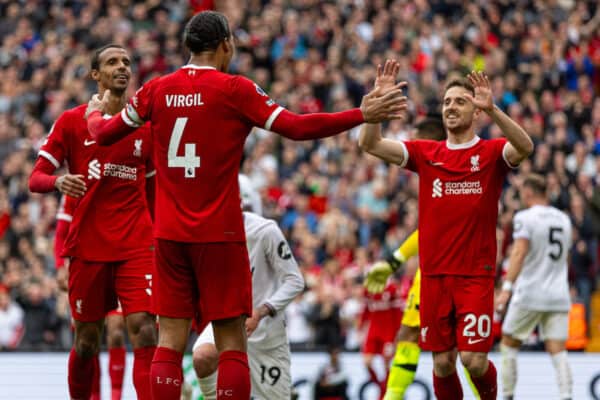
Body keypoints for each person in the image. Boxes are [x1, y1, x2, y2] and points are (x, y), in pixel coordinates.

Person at [84, 11, 406, 400]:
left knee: (168, 342)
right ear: (225, 45)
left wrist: (93, 114)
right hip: (220, 233)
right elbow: (297, 127)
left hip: (169, 235)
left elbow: (102, 134)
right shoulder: (235, 88)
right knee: (231, 342)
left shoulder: (155, 90)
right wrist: (361, 114)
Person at [358, 60, 533, 399]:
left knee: (474, 361)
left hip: (474, 275)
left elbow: (525, 147)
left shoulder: (490, 153)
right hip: (434, 276)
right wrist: (376, 108)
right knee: (442, 364)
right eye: (447, 102)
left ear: (476, 111)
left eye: (460, 101)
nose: (451, 107)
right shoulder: (427, 153)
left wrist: (494, 110)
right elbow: (371, 145)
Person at [28, 44, 157, 400]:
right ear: (94, 75)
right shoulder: (71, 121)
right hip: (88, 248)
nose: (122, 67)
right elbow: (35, 178)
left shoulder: (146, 126)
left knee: (144, 330)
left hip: (136, 244)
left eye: (127, 62)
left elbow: (153, 193)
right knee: (86, 342)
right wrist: (57, 181)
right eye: (112, 62)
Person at [365, 116, 480, 399]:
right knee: (422, 339)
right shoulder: (440, 173)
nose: (410, 146)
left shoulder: (445, 172)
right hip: (438, 267)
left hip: (450, 269)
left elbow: (431, 229)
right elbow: (428, 229)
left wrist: (394, 261)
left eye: (415, 138)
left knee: (456, 349)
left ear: (429, 140)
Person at [192, 174, 304, 400]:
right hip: (226, 324)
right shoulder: (206, 233)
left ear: (240, 203)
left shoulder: (265, 231)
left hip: (265, 334)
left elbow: (295, 280)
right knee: (202, 357)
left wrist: (261, 311)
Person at [495, 174, 573, 400]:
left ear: (528, 193)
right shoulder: (563, 219)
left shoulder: (525, 218)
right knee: (558, 350)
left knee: (509, 342)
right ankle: (566, 395)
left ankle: (508, 395)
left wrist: (507, 288)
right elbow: (565, 260)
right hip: (558, 293)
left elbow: (519, 252)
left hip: (530, 292)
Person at [55, 195, 128, 400]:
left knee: (115, 331)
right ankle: (94, 396)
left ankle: (116, 396)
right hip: (86, 266)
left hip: (117, 264)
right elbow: (61, 233)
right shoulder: (74, 186)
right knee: (88, 338)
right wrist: (61, 267)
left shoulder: (121, 177)